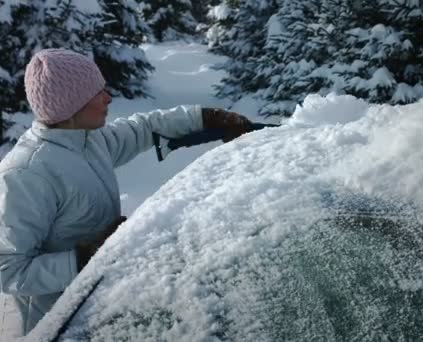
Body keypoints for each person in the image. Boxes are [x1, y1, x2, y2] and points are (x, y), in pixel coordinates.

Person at [0, 48, 251, 338]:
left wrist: (204, 118)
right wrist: (86, 257)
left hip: (89, 313)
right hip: (46, 328)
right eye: (98, 92)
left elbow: (143, 128)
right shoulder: (26, 173)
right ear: (73, 104)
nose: (108, 97)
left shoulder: (88, 141)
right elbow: (8, 270)